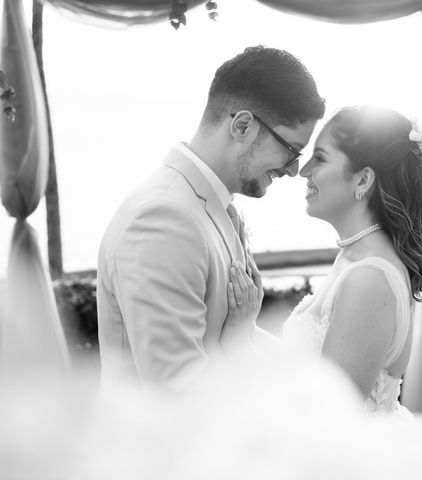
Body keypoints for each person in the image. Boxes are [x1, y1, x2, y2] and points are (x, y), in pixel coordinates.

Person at [96, 46, 325, 389]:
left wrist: (319, 391)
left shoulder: (210, 205)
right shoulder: (162, 219)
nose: (293, 170)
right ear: (243, 126)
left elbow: (237, 332)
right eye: (290, 149)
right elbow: (179, 393)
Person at [225, 106, 422, 415]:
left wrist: (238, 341)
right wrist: (249, 324)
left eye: (320, 158)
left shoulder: (369, 279)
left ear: (363, 180)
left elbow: (330, 413)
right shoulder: (355, 256)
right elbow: (309, 370)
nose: (304, 170)